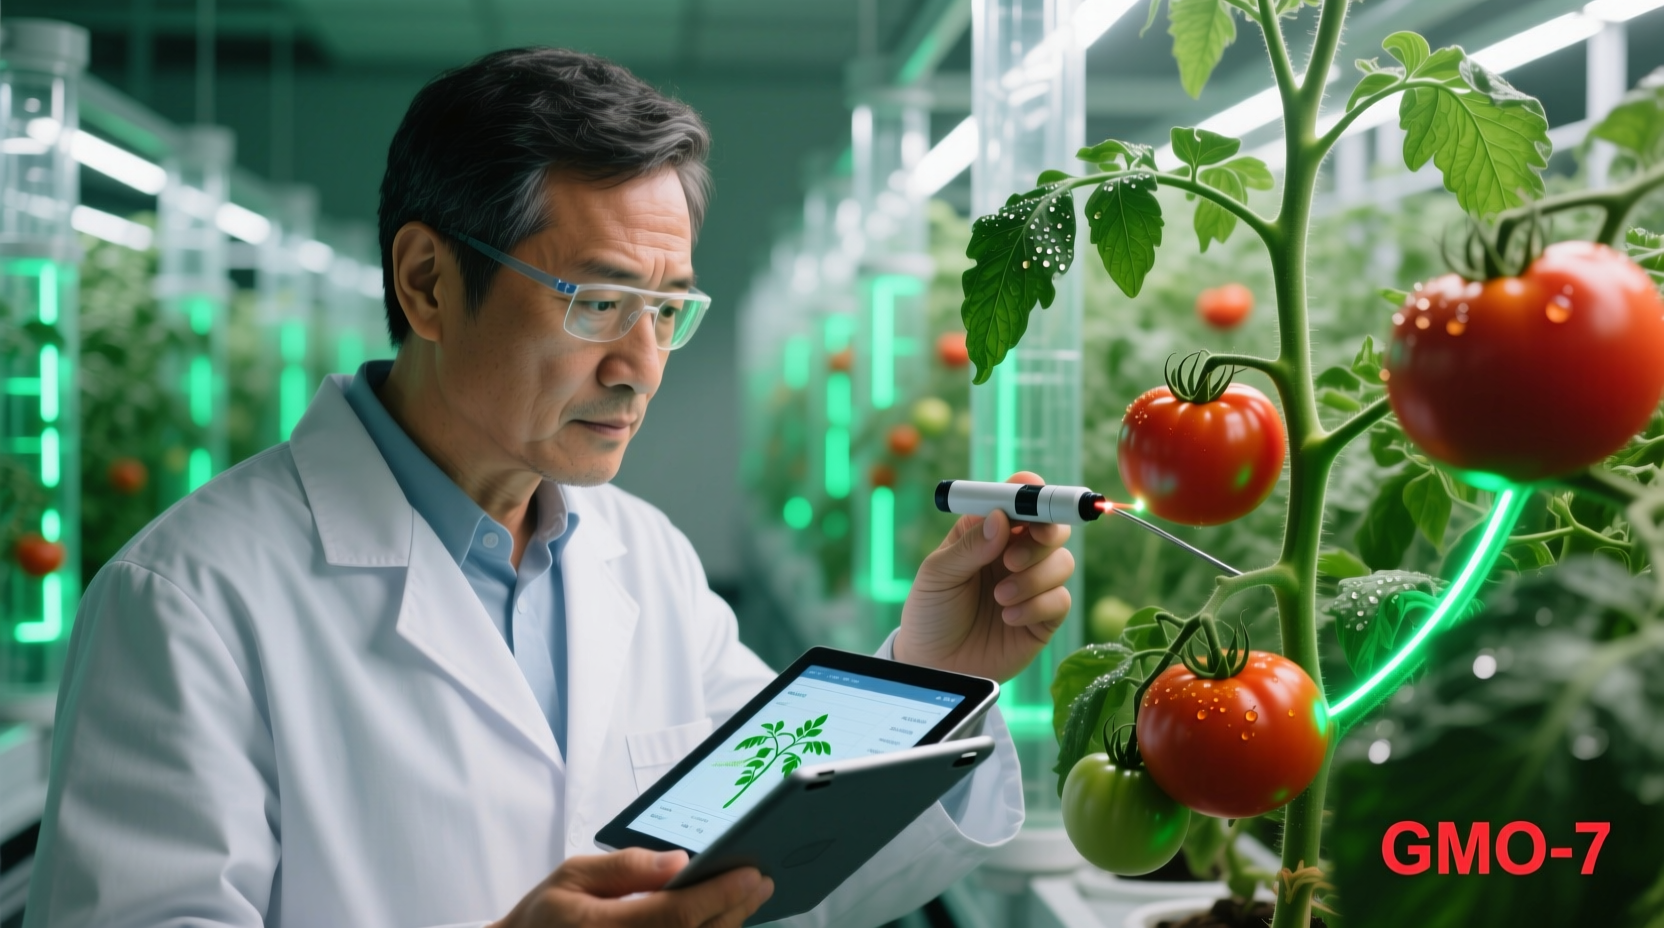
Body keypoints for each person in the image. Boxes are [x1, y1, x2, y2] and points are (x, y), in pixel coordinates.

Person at [23, 48, 1075, 928]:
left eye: (667, 308)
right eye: (597, 302)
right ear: (428, 282)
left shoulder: (646, 559)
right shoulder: (187, 600)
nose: (641, 364)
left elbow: (791, 871)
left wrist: (930, 674)